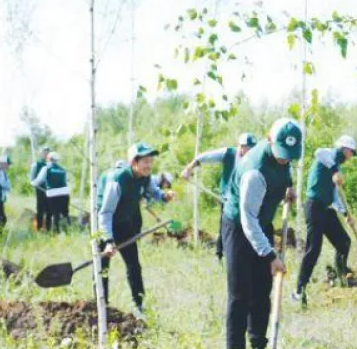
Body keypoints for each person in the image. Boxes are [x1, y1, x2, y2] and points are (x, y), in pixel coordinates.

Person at [221, 118, 301, 349]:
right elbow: (248, 220)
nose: (284, 160)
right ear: (269, 140)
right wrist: (269, 255)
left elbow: (283, 173)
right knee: (240, 292)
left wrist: (287, 189)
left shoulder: (284, 159)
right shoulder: (254, 172)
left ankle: (259, 346)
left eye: (289, 156)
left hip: (261, 222)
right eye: (281, 154)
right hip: (239, 226)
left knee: (262, 288)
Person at [97, 143, 173, 318]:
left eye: (151, 161)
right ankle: (102, 307)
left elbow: (152, 190)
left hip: (124, 222)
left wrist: (163, 195)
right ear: (134, 162)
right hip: (103, 224)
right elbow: (106, 213)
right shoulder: (117, 181)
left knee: (134, 265)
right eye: (145, 161)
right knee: (102, 268)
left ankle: (138, 306)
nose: (149, 165)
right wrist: (108, 241)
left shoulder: (144, 177)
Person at [292, 134, 357, 306]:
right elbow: (318, 151)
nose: (351, 157)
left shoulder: (335, 168)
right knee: (314, 249)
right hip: (314, 207)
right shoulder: (327, 155)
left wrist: (345, 214)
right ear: (345, 149)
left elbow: (336, 196)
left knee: (344, 242)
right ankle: (299, 290)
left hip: (326, 209)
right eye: (352, 153)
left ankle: (342, 276)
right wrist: (335, 170)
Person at [182, 132, 258, 259]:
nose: (248, 152)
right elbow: (204, 157)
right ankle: (220, 255)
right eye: (246, 148)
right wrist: (189, 169)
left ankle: (244, 255)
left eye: (251, 149)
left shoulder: (255, 160)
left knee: (247, 227)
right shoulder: (228, 153)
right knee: (226, 227)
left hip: (246, 198)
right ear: (240, 146)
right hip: (228, 198)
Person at [31, 151, 70, 232]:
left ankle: (55, 231)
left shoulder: (46, 168)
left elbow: (39, 181)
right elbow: (66, 181)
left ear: (49, 159)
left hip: (52, 194)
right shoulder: (63, 169)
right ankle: (68, 229)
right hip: (65, 194)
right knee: (64, 213)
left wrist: (33, 183)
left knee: (54, 213)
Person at [30, 147, 51, 230]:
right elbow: (32, 179)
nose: (46, 154)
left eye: (47, 153)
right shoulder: (36, 164)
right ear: (41, 153)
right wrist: (37, 185)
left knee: (50, 210)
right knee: (40, 209)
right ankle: (39, 228)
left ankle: (48, 229)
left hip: (50, 190)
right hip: (40, 190)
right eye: (44, 152)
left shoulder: (50, 164)